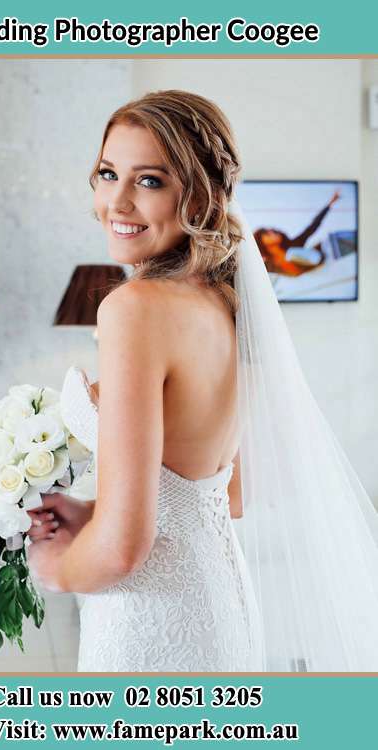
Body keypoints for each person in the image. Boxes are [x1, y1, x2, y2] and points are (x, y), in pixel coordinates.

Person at [27, 91, 378, 672]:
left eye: (150, 181)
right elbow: (223, 494)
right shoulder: (225, 303)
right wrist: (93, 515)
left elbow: (123, 551)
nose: (116, 201)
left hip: (149, 623)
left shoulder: (134, 308)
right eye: (108, 173)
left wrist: (56, 567)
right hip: (221, 605)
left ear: (200, 194)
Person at [253, 191, 340, 276]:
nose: (271, 232)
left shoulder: (293, 246)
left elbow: (312, 227)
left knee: (291, 254)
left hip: (323, 260)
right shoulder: (267, 265)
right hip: (302, 280)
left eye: (272, 231)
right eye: (265, 233)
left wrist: (330, 204)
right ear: (260, 242)